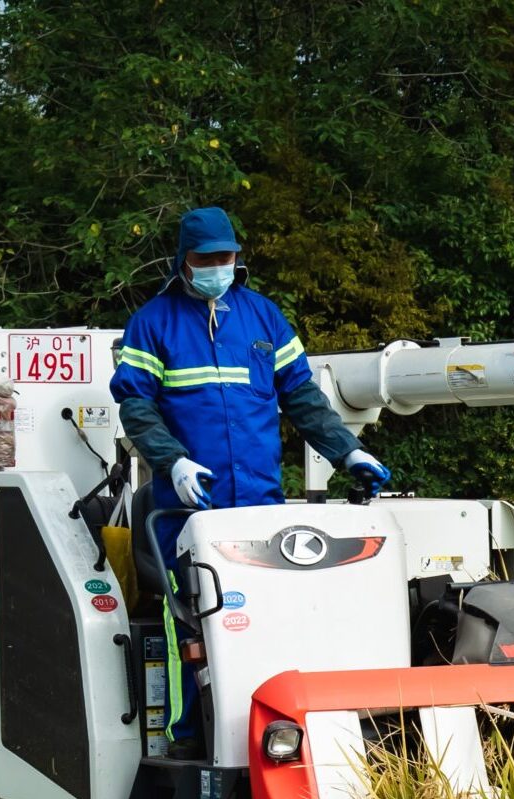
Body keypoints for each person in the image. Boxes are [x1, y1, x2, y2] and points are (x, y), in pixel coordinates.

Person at [110, 206, 390, 749]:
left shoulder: (263, 317)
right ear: (184, 261)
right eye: (207, 258)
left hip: (261, 506)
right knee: (191, 623)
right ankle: (189, 738)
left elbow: (303, 397)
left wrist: (349, 452)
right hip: (189, 508)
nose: (218, 266)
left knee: (267, 619)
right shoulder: (154, 322)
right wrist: (173, 461)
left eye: (226, 256)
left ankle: (269, 731)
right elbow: (136, 407)